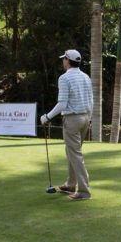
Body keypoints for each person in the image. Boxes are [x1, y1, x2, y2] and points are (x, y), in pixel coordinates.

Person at [40, 49, 93, 200]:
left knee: (75, 155)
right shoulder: (85, 77)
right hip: (84, 118)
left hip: (72, 120)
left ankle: (84, 191)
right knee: (72, 152)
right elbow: (91, 101)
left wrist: (47, 117)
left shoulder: (64, 78)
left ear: (68, 61)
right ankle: (71, 184)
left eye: (64, 59)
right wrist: (89, 119)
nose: (63, 61)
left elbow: (62, 104)